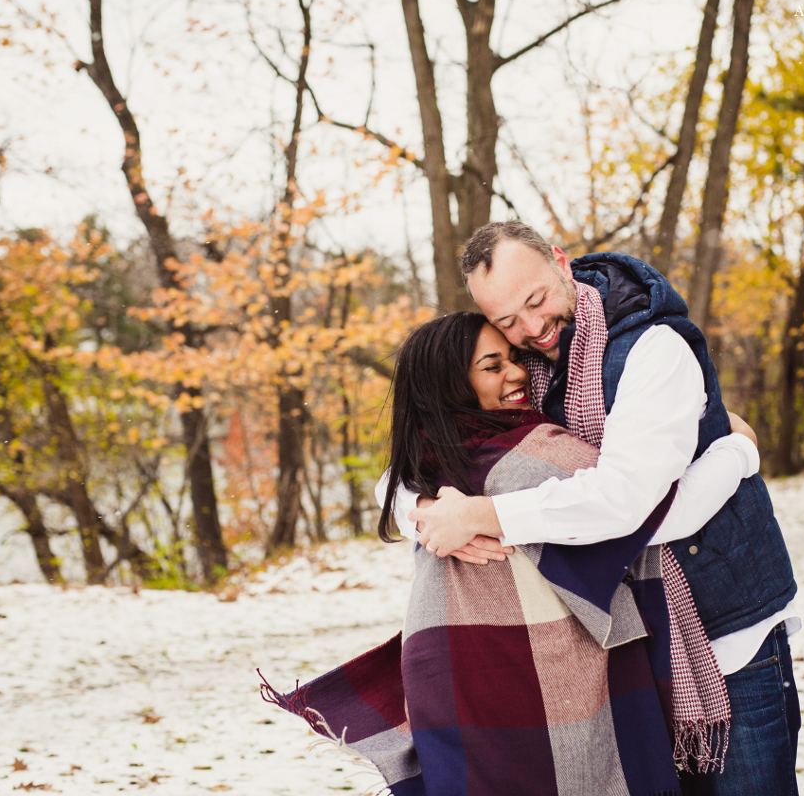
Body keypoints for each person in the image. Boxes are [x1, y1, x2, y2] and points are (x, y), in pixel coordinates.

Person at [267, 311, 760, 796]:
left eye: (512, 359)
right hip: (537, 686)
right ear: (452, 386)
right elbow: (657, 512)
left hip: (451, 681)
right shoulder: (535, 454)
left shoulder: (430, 458)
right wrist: (738, 450)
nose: (518, 373)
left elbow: (390, 486)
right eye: (492, 365)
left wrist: (423, 506)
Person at [393, 222, 801, 796]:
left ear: (561, 262)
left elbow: (631, 503)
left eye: (536, 301)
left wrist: (737, 455)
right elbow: (415, 455)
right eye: (508, 322)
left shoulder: (652, 348)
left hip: (722, 627)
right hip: (633, 638)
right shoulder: (527, 369)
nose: (531, 329)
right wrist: (427, 506)